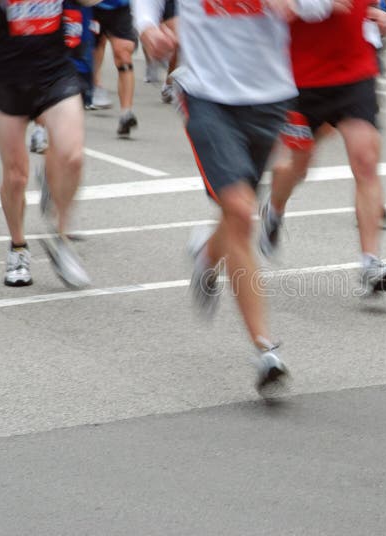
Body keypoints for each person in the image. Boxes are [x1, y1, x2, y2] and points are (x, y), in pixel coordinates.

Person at [135, 0, 344, 395]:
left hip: (270, 97)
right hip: (205, 94)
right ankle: (265, 349)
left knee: (237, 212)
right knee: (241, 211)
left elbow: (317, 8)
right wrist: (148, 28)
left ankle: (206, 254)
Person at [259, 0, 386, 296]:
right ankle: (274, 209)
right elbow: (280, 9)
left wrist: (378, 17)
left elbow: (361, 9)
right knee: (296, 166)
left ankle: (370, 262)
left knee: (366, 160)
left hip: (354, 74)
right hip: (301, 81)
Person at [0, 0, 95, 288]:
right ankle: (18, 248)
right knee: (16, 176)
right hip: (8, 81)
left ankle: (61, 236)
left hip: (55, 75)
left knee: (73, 156)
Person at [92, 0, 138, 137]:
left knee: (123, 55)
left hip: (119, 7)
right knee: (87, 52)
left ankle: (126, 113)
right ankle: (94, 87)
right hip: (89, 7)